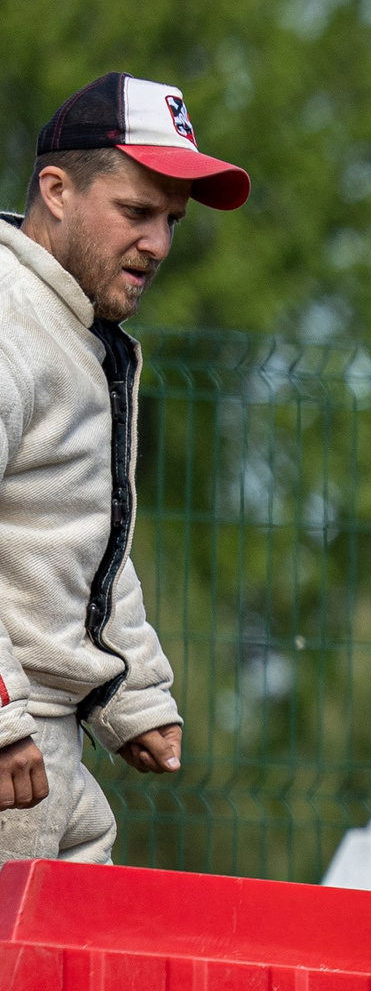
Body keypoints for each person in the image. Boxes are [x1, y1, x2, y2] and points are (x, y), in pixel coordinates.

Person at [0, 74, 250, 863]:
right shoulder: (10, 323)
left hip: (53, 745)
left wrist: (134, 692)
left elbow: (84, 536)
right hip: (15, 740)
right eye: (136, 212)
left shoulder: (74, 331)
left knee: (74, 976)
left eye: (171, 221)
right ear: (57, 189)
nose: (160, 244)